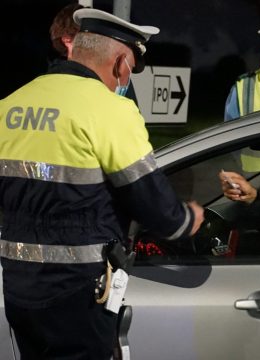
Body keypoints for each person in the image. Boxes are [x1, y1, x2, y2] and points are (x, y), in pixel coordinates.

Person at [0, 8, 204, 360]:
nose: (125, 81)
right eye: (130, 71)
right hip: (77, 295)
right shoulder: (111, 111)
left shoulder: (12, 104)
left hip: (17, 289)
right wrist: (191, 220)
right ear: (121, 63)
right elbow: (156, 209)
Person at [49, 2, 138, 104]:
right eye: (83, 38)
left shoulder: (115, 76)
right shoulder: (52, 78)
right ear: (67, 40)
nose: (92, 42)